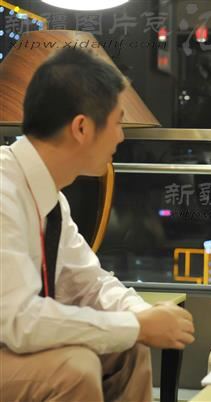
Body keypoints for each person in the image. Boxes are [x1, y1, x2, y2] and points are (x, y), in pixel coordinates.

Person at [0, 48, 195, 401]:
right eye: (118, 122)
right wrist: (135, 325)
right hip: (11, 331)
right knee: (74, 369)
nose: (121, 137)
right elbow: (19, 320)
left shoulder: (50, 200)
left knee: (129, 348)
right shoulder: (4, 192)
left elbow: (88, 283)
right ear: (82, 127)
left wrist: (143, 315)